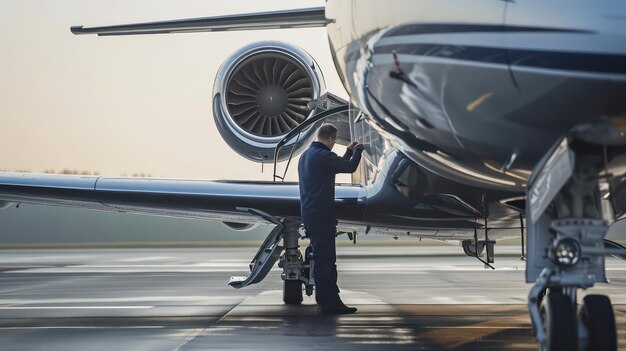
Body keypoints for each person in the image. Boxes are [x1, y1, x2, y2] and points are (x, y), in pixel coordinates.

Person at [298, 123, 364, 315]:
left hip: (310, 214)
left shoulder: (306, 156)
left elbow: (335, 166)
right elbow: (350, 168)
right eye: (333, 141)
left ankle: (327, 301)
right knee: (326, 261)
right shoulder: (324, 156)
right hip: (321, 216)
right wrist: (359, 150)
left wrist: (348, 151)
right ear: (330, 139)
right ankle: (328, 304)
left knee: (322, 260)